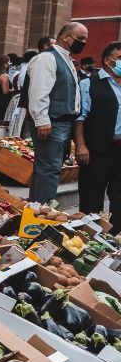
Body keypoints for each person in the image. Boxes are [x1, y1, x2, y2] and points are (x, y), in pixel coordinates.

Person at [22, 21, 87, 204]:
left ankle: (35, 209)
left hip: (63, 122)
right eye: (80, 38)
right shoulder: (47, 59)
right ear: (66, 37)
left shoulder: (66, 59)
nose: (83, 42)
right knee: (50, 168)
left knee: (46, 167)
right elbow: (39, 92)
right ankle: (43, 211)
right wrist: (42, 120)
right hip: (52, 121)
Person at [74, 41, 121, 229]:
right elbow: (80, 117)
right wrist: (80, 145)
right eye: (120, 58)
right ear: (108, 61)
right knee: (92, 194)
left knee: (119, 197)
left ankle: (116, 237)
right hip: (98, 148)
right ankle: (88, 235)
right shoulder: (89, 84)